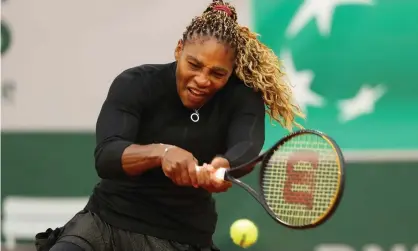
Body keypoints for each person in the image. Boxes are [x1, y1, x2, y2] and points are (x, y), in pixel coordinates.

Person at [36, 0, 303, 250]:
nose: (202, 79)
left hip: (181, 236)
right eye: (194, 65)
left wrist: (223, 164)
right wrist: (161, 153)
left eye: (217, 73)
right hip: (105, 224)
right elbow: (106, 157)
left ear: (231, 70)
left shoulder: (242, 98)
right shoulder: (136, 83)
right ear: (179, 49)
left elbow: (246, 145)